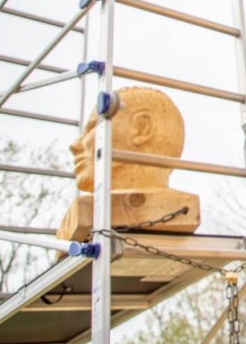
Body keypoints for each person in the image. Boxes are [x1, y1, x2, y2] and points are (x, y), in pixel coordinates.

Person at [58, 86, 199, 239]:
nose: (74, 145)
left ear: (142, 129)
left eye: (93, 127)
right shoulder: (81, 213)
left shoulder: (180, 207)